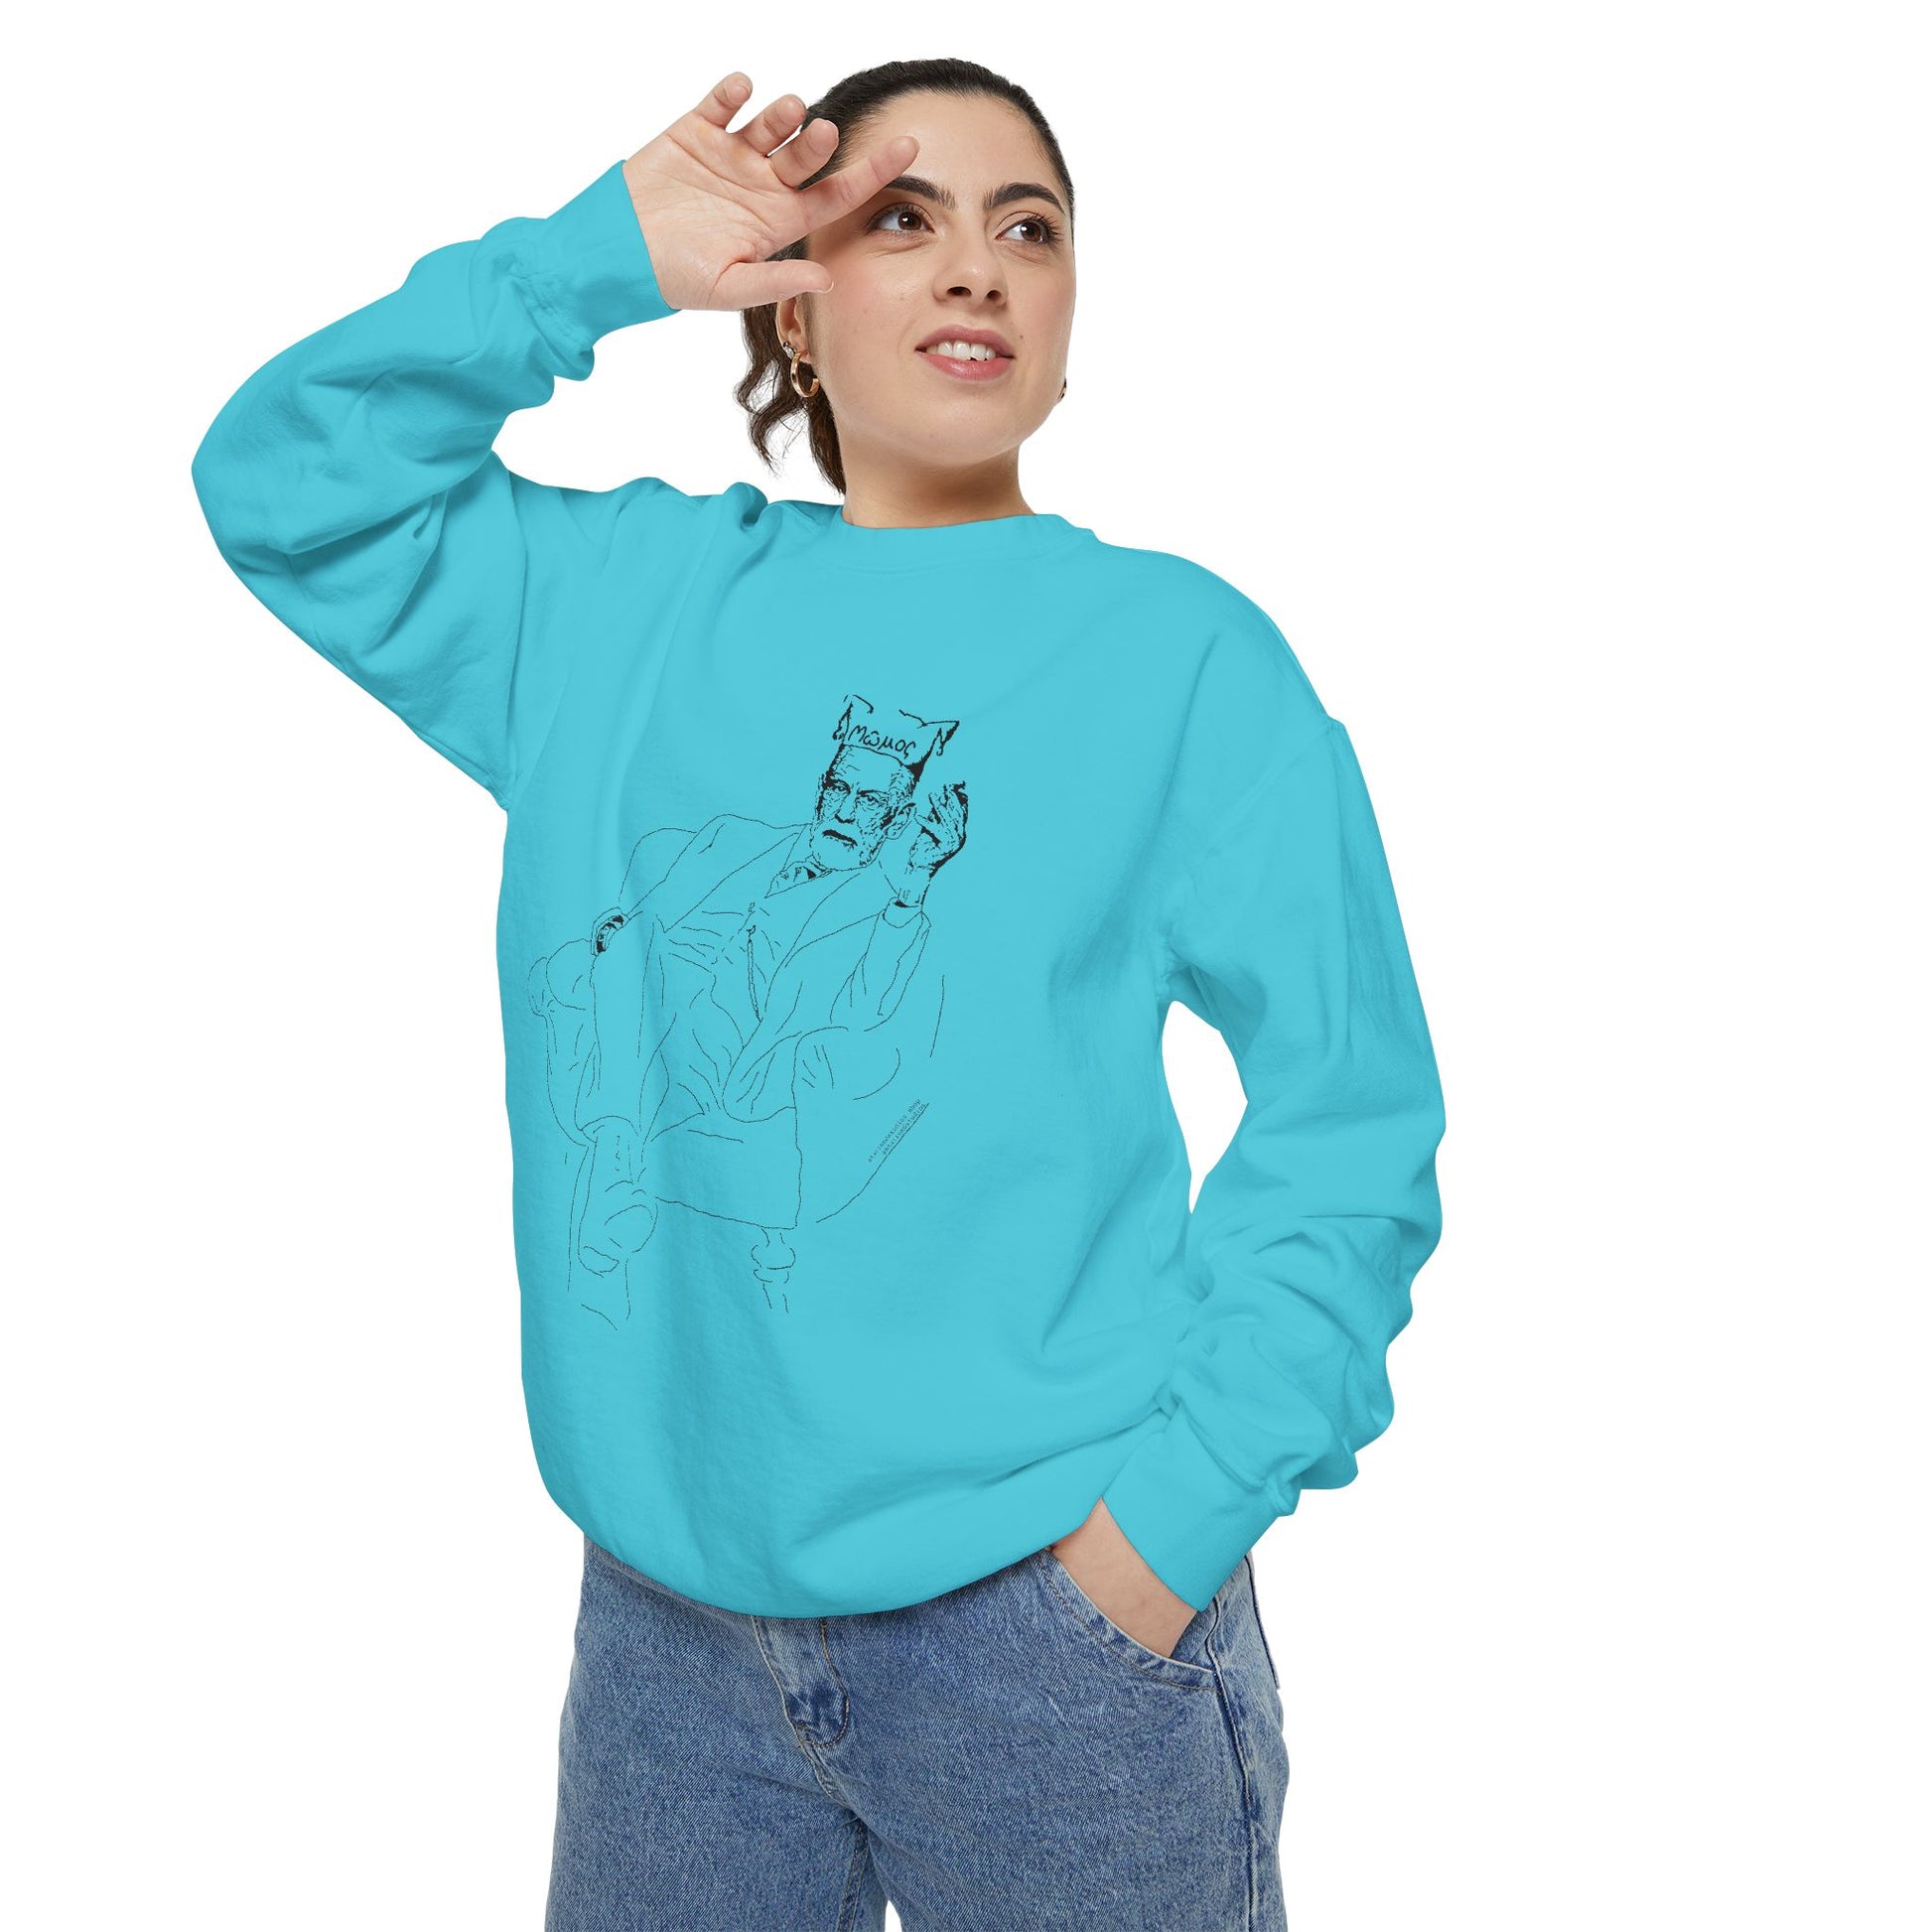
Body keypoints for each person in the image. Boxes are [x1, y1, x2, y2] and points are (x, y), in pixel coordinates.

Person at [191, 58, 1446, 1932]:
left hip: (1051, 1627)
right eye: (900, 219)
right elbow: (285, 485)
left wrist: (1164, 1533)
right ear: (789, 297)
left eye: (1029, 229)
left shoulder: (1182, 659)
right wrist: (591, 261)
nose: (976, 268)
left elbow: (1350, 1116)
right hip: (667, 1638)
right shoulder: (614, 609)